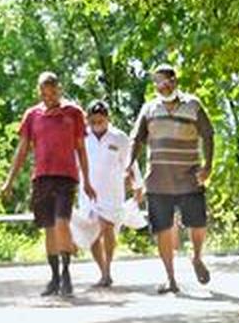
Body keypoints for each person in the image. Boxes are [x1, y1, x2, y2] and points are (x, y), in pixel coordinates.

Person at [0, 72, 96, 297]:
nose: (48, 97)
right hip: (42, 176)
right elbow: (22, 150)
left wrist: (87, 180)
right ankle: (54, 277)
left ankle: (66, 273)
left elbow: (81, 149)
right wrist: (9, 181)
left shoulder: (73, 113)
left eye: (52, 92)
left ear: (59, 90)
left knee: (62, 221)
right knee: (49, 227)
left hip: (66, 176)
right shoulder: (32, 115)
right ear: (39, 92)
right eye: (44, 93)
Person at [130, 65, 215, 293]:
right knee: (163, 229)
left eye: (167, 81)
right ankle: (171, 278)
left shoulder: (193, 105)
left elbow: (208, 134)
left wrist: (208, 166)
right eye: (158, 82)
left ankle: (196, 258)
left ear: (175, 81)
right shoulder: (149, 109)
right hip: (158, 181)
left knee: (198, 224)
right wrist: (128, 166)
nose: (163, 85)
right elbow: (136, 139)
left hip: (189, 177)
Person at [78, 100, 143, 287]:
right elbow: (74, 163)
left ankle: (107, 272)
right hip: (88, 191)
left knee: (107, 227)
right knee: (92, 233)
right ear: (88, 120)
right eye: (93, 121)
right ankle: (102, 270)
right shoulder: (82, 137)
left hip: (111, 192)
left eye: (101, 121)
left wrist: (138, 185)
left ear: (108, 118)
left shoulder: (119, 138)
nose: (97, 125)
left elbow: (131, 164)